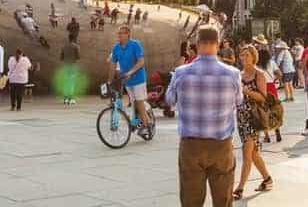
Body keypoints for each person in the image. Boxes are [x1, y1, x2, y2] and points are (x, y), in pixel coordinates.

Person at [165, 26, 242, 207]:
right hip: (221, 146)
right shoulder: (233, 74)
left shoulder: (181, 72)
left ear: (197, 44)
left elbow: (169, 100)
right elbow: (238, 102)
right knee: (223, 200)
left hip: (191, 145)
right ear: (218, 44)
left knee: (191, 201)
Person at [232, 45, 273, 199]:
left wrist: (246, 91)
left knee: (247, 152)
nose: (243, 58)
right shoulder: (238, 75)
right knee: (254, 153)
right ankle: (267, 179)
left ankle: (240, 188)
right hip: (241, 117)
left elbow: (263, 97)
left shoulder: (259, 74)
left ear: (254, 57)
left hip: (254, 118)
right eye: (242, 55)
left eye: (247, 55)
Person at [109, 25, 149, 131]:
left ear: (128, 34)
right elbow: (113, 64)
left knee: (139, 102)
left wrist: (130, 72)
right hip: (127, 80)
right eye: (118, 33)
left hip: (139, 78)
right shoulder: (116, 47)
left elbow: (141, 61)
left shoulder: (135, 44)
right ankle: (138, 120)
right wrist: (109, 80)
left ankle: (146, 125)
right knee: (133, 102)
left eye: (122, 33)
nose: (119, 35)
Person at [59, 40, 81, 105]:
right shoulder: (76, 46)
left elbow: (61, 57)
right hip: (72, 66)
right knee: (72, 82)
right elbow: (78, 57)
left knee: (66, 82)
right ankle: (71, 99)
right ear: (73, 39)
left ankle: (65, 99)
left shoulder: (64, 47)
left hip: (66, 66)